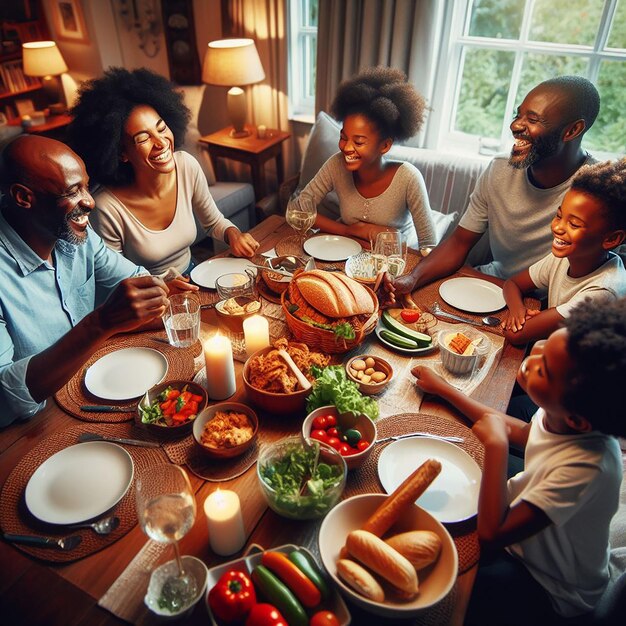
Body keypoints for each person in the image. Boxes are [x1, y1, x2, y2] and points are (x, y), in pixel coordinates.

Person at [411, 298, 626, 625]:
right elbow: (527, 434)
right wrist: (445, 390)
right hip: (527, 533)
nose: (533, 357)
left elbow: (493, 533)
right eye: (544, 348)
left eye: (544, 369)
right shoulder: (566, 415)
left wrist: (496, 446)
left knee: (451, 587)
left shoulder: (588, 468)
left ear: (577, 420)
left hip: (550, 585)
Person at [0, 135, 190, 427]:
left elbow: (139, 283)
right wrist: (101, 323)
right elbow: (6, 397)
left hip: (96, 393)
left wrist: (156, 296)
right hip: (32, 429)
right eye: (73, 191)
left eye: (87, 186)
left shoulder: (75, 235)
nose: (90, 202)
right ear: (24, 197)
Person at [388, 75, 600, 300]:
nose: (515, 126)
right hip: (493, 283)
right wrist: (412, 278)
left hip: (552, 302)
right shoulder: (499, 169)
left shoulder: (597, 190)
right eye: (518, 115)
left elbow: (588, 282)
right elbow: (459, 243)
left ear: (572, 131)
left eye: (533, 119)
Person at [67, 67, 259, 276]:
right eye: (143, 138)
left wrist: (233, 234)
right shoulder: (107, 208)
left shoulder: (186, 165)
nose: (161, 142)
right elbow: (116, 279)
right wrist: (165, 285)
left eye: (161, 128)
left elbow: (213, 222)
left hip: (193, 274)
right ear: (122, 153)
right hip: (149, 297)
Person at [297, 66, 436, 250]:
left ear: (384, 145)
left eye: (359, 142)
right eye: (343, 137)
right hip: (345, 253)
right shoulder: (336, 164)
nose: (346, 148)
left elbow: (429, 245)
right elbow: (300, 209)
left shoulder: (408, 178)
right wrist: (348, 231)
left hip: (394, 260)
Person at [502, 158, 626, 346]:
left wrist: (528, 323)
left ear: (611, 239)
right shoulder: (566, 257)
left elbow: (516, 335)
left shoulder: (603, 291)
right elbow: (512, 284)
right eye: (559, 216)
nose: (558, 227)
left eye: (574, 224)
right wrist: (518, 312)